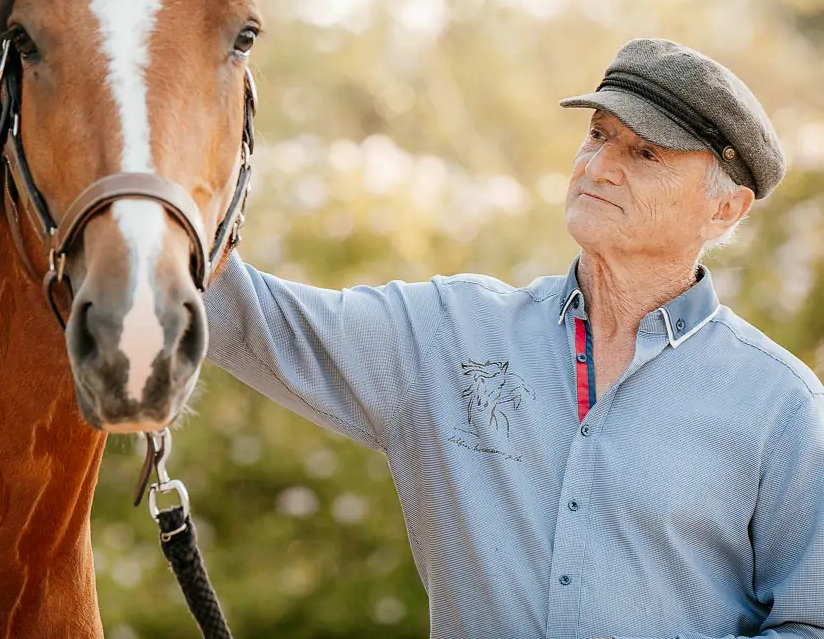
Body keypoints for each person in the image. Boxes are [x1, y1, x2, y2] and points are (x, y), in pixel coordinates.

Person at [205, 38, 824, 639]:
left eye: (646, 155)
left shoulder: (782, 405)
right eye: (599, 134)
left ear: (726, 210)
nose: (599, 167)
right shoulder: (449, 331)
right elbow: (245, 317)